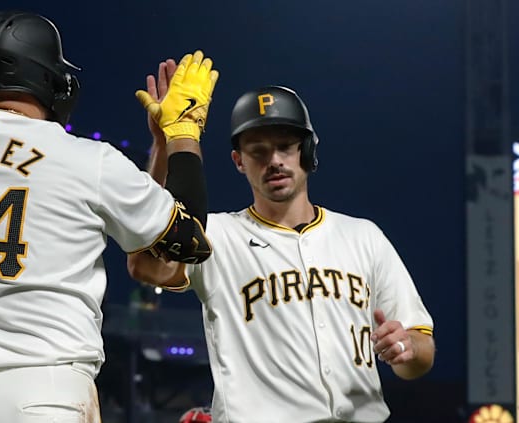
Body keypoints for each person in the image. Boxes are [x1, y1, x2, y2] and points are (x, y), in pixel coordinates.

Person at [0, 10, 218, 423]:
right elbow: (188, 241)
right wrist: (181, 135)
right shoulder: (85, 160)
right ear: (48, 80)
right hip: (43, 390)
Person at [128, 84, 436, 422]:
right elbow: (146, 264)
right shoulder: (217, 236)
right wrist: (163, 144)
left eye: (286, 147)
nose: (274, 160)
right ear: (238, 161)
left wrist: (406, 347)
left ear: (307, 150)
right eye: (258, 151)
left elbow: (421, 353)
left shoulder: (364, 236)